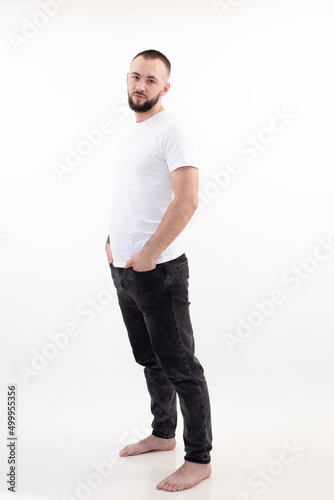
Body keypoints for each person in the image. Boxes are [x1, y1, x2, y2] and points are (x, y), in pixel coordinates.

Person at [105, 49, 213, 492]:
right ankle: (163, 433)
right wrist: (113, 242)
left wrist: (149, 254)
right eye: (135, 76)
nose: (140, 86)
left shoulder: (173, 130)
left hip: (160, 271)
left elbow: (186, 200)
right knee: (150, 360)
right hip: (125, 268)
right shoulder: (134, 131)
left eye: (150, 80)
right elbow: (134, 195)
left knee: (181, 366)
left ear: (164, 88)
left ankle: (199, 459)